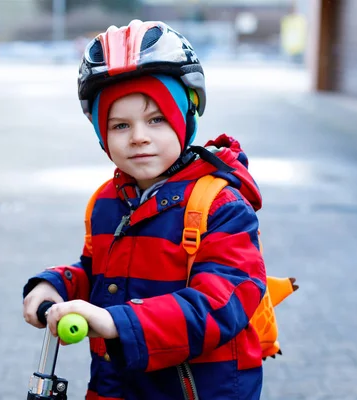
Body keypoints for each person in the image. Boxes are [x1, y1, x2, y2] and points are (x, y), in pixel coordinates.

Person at [23, 19, 266, 400]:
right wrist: (56, 284)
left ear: (186, 119)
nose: (139, 137)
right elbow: (101, 274)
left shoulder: (220, 206)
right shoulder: (107, 200)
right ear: (101, 135)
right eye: (120, 125)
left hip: (195, 390)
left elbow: (222, 304)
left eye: (156, 119)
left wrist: (117, 321)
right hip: (116, 387)